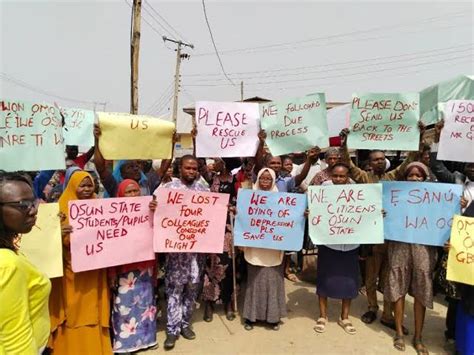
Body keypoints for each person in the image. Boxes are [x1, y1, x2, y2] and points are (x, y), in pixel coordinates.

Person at [339, 125, 423, 332]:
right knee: (370, 276)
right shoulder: (364, 177)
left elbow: (409, 160)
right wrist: (344, 143)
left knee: (389, 277)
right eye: (375, 159)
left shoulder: (394, 177)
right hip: (371, 237)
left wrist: (418, 136)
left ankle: (387, 315)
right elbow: (348, 164)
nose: (379, 161)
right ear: (369, 163)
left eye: (381, 158)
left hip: (392, 236)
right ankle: (371, 307)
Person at [48, 170, 112, 354]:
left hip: (95, 272)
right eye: (82, 185)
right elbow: (44, 239)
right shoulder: (61, 207)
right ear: (72, 185)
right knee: (73, 310)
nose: (86, 189)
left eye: (89, 185)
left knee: (94, 308)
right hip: (72, 273)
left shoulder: (99, 206)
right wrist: (58, 233)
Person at [155, 155, 209, 350]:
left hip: (196, 252)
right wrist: (154, 206)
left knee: (192, 287)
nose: (191, 172)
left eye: (194, 169)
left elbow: (211, 214)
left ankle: (185, 324)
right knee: (175, 289)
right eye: (188, 168)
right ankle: (172, 329)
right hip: (175, 253)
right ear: (180, 169)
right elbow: (155, 207)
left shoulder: (203, 189)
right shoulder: (168, 188)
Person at [384, 162, 438, 354]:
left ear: (425, 178)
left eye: (419, 176)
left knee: (422, 290)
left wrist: (457, 205)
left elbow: (444, 220)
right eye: (410, 175)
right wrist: (383, 214)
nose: (414, 179)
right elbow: (386, 219)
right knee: (398, 287)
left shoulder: (435, 198)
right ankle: (399, 331)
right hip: (399, 245)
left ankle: (418, 336)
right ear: (404, 178)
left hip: (424, 248)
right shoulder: (395, 197)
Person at [0, 171, 51, 354]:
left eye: (33, 202)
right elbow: (16, 339)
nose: (33, 210)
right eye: (23, 205)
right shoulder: (7, 264)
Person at [108, 179, 158, 353]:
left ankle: (146, 339)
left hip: (144, 266)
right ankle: (124, 344)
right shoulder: (114, 215)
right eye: (128, 192)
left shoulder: (148, 209)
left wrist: (155, 212)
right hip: (124, 269)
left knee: (145, 304)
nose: (132, 195)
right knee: (124, 305)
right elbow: (110, 245)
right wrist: (112, 272)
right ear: (121, 194)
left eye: (135, 191)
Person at [313, 163, 360, 335]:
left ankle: (344, 317)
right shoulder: (322, 191)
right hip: (328, 242)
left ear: (348, 176)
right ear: (330, 176)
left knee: (349, 281)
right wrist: (310, 213)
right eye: (336, 176)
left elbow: (365, 212)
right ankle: (322, 316)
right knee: (325, 278)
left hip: (350, 244)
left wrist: (377, 213)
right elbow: (315, 211)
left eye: (342, 176)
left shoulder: (359, 193)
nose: (339, 179)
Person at [241, 168, 287, 331]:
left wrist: (301, 215)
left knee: (273, 282)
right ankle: (251, 317)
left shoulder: (281, 200)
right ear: (258, 180)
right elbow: (243, 218)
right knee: (254, 283)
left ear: (273, 181)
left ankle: (273, 318)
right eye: (262, 179)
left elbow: (289, 220)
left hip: (273, 249)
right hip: (255, 248)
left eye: (269, 179)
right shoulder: (249, 197)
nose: (265, 182)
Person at [202, 158, 240, 323]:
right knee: (210, 264)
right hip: (211, 226)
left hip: (228, 227)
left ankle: (227, 302)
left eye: (217, 161)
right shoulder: (210, 178)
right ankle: (209, 303)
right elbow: (201, 163)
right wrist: (196, 141)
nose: (214, 163)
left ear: (224, 164)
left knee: (228, 264)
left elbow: (243, 200)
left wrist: (235, 207)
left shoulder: (236, 180)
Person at [93, 124, 173, 197]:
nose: (136, 168)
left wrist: (171, 143)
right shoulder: (115, 187)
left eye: (137, 166)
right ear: (122, 174)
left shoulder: (147, 184)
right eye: (130, 167)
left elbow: (163, 169)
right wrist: (97, 140)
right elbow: (101, 168)